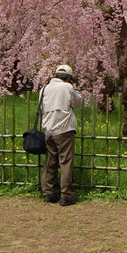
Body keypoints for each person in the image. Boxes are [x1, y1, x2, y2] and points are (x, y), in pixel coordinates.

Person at [41, 64, 85, 206]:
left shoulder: (44, 89)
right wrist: (76, 88)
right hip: (64, 128)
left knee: (50, 162)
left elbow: (42, 107)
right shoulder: (67, 87)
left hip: (48, 129)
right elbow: (78, 103)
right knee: (65, 162)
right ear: (69, 78)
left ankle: (48, 193)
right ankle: (66, 195)